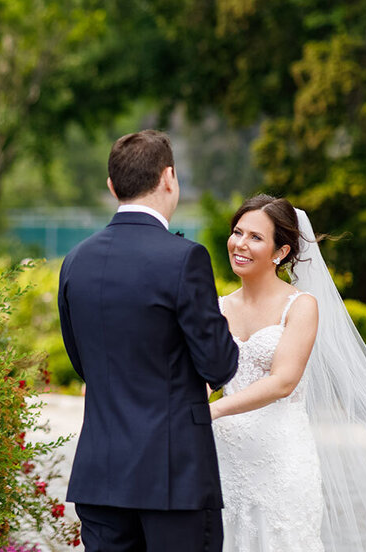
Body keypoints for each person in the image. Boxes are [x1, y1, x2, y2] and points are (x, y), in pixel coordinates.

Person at [211, 194, 366, 551]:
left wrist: (215, 409)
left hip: (279, 456)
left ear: (280, 252)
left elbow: (284, 381)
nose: (240, 244)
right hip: (225, 454)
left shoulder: (300, 306)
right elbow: (206, 374)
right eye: (238, 232)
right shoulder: (217, 307)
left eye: (255, 237)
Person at [58, 130, 239, 552]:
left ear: (111, 186)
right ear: (170, 177)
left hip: (100, 474)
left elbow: (82, 361)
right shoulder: (184, 258)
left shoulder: (76, 260)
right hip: (173, 477)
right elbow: (219, 365)